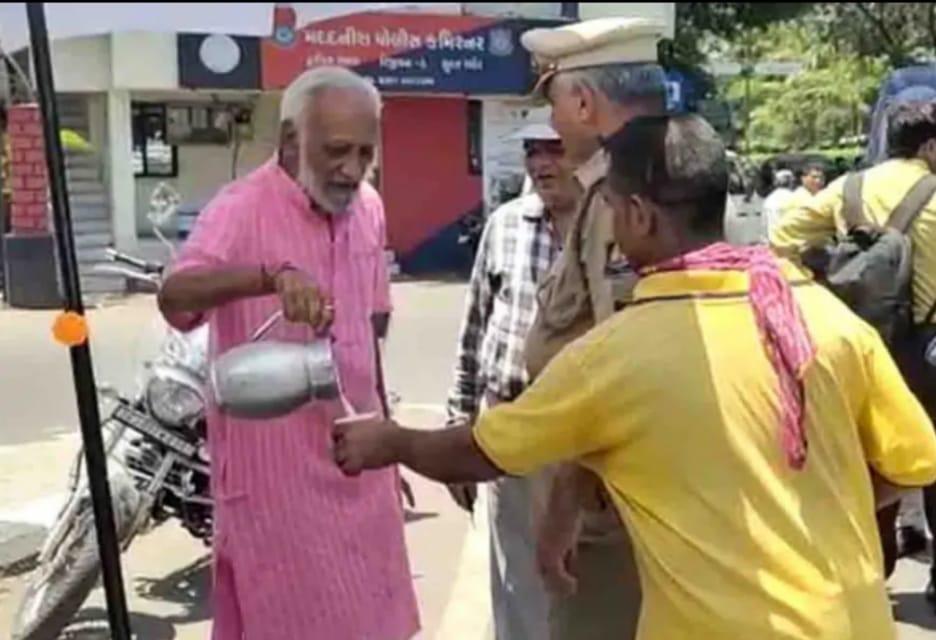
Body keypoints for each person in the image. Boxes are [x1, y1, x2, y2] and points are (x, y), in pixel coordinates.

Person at [333, 114, 936, 639]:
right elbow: (911, 461)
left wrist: (393, 442)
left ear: (640, 215)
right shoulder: (817, 311)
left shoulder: (617, 354)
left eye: (612, 209)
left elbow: (481, 451)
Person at [157, 67, 419, 640]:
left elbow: (370, 331)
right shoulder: (240, 208)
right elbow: (175, 299)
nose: (351, 169)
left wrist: (389, 442)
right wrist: (267, 277)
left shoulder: (368, 207)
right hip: (279, 490)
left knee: (378, 622)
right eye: (336, 151)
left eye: (364, 153)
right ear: (290, 142)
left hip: (360, 465)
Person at [516, 17, 667, 638]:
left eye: (554, 103)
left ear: (583, 102)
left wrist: (565, 507)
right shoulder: (663, 179)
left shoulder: (619, 200)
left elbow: (618, 372)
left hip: (611, 505)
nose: (551, 126)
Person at [772, 99, 936, 610]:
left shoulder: (848, 189)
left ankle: (869, 571)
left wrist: (830, 272)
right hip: (927, 347)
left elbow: (781, 238)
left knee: (863, 455)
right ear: (930, 146)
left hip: (858, 344)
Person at [445, 122, 578, 640]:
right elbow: (474, 326)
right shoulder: (506, 225)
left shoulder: (617, 226)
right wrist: (459, 425)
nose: (542, 164)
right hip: (511, 430)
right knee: (518, 592)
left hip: (588, 439)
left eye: (555, 150)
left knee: (583, 587)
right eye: (532, 151)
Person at [761, 168, 796, 239]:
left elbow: (764, 224)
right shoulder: (794, 198)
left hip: (773, 241)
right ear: (790, 182)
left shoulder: (769, 199)